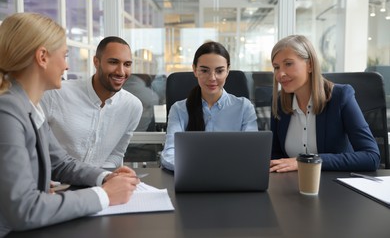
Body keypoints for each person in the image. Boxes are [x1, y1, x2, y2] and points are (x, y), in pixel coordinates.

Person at [0, 12, 140, 236]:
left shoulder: (29, 108)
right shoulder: (7, 111)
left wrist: (105, 178)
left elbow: (61, 163)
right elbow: (23, 209)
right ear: (43, 57)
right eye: (64, 56)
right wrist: (104, 195)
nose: (66, 66)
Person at [269, 35, 380, 173]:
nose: (280, 74)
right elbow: (275, 156)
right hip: (292, 187)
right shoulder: (279, 103)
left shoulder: (341, 97)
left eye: (288, 64)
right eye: (276, 67)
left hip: (336, 187)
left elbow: (371, 157)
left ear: (310, 65)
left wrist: (307, 162)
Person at [41, 36, 143, 168]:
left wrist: (103, 177)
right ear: (96, 62)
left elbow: (117, 153)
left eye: (127, 64)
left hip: (98, 182)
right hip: (54, 183)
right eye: (113, 62)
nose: (121, 72)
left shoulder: (133, 106)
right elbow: (35, 147)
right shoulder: (56, 93)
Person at [160, 41, 259, 171]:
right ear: (195, 70)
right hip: (191, 178)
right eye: (204, 70)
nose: (212, 78)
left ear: (228, 71)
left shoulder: (244, 107)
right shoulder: (179, 109)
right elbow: (169, 153)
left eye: (219, 71)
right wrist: (199, 169)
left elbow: (251, 152)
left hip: (232, 177)